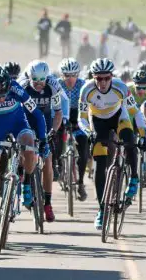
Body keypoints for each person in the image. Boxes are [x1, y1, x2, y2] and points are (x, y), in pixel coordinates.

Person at [0, 68, 48, 239]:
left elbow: (37, 114)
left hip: (18, 125)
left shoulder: (16, 89)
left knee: (29, 144)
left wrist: (43, 140)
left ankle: (27, 184)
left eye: (3, 94)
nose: (0, 98)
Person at [78, 58, 146, 230]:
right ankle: (102, 210)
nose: (103, 82)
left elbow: (136, 113)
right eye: (99, 78)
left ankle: (134, 178)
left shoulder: (121, 88)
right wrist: (89, 133)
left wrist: (144, 135)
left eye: (106, 78)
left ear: (111, 76)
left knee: (130, 141)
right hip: (98, 122)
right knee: (100, 164)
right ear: (93, 77)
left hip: (119, 118)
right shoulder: (86, 90)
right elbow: (82, 118)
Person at [19, 60, 69, 222]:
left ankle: (47, 203)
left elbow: (58, 113)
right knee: (26, 153)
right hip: (26, 121)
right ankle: (24, 181)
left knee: (48, 161)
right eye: (36, 80)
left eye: (43, 80)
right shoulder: (22, 85)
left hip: (46, 121)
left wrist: (53, 131)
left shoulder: (53, 86)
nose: (40, 84)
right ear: (29, 77)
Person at [57, 58, 89, 201]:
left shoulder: (83, 85)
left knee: (83, 149)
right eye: (67, 75)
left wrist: (84, 123)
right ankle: (57, 165)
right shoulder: (57, 85)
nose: (70, 79)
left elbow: (88, 108)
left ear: (78, 74)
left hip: (78, 117)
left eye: (73, 75)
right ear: (62, 75)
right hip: (61, 115)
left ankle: (81, 181)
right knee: (55, 140)